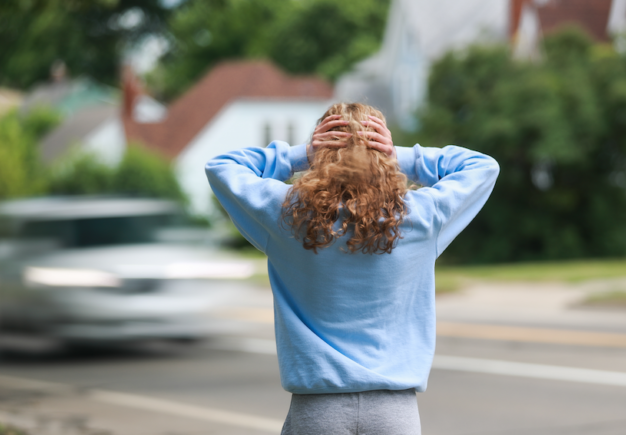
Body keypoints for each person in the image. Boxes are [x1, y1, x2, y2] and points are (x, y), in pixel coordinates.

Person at [206, 103, 499, 434]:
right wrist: (401, 156)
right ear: (382, 151)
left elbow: (222, 167)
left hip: (318, 411)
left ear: (321, 152)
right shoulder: (420, 217)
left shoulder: (287, 215)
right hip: (395, 412)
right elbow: (482, 166)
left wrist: (300, 155)